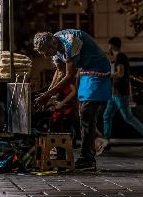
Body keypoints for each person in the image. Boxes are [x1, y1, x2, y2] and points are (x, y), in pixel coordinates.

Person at [34, 29, 111, 171]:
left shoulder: (70, 42)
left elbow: (69, 76)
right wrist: (49, 95)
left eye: (46, 52)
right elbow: (59, 72)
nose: (45, 56)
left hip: (98, 69)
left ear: (52, 46)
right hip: (86, 71)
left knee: (87, 112)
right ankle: (83, 155)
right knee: (83, 114)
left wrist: (46, 96)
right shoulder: (54, 44)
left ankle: (88, 159)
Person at [97, 37, 143, 153]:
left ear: (112, 46)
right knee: (106, 116)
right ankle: (106, 141)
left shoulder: (120, 57)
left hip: (120, 94)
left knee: (128, 117)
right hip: (115, 93)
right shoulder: (120, 57)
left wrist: (107, 75)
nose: (108, 48)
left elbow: (120, 73)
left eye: (109, 46)